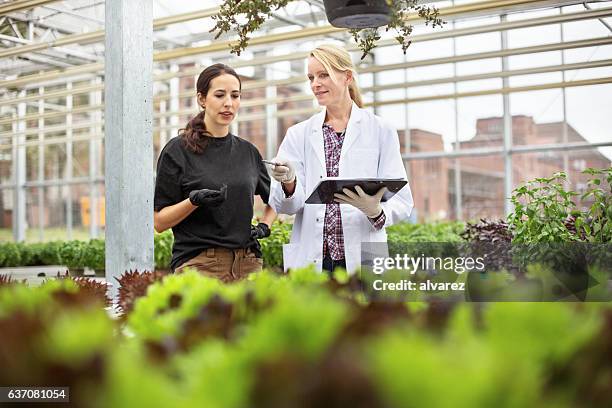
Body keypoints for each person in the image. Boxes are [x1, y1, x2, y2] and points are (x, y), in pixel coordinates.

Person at [267, 44, 414, 275]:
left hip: (362, 255)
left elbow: (403, 201)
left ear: (347, 77)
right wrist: (289, 182)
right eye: (311, 77)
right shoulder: (299, 134)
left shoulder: (380, 130)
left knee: (364, 312)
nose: (315, 83)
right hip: (314, 258)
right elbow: (287, 206)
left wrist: (376, 211)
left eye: (323, 74)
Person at [154, 63, 275, 282]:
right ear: (202, 99)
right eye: (219, 95)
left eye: (235, 95)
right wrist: (193, 201)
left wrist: (265, 226)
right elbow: (160, 222)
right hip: (200, 266)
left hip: (248, 264)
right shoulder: (178, 151)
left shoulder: (248, 152)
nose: (228, 103)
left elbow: (275, 199)